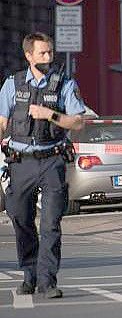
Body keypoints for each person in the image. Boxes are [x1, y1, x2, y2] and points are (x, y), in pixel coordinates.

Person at [0, 32, 86, 299]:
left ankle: (48, 281)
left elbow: (78, 122)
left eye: (50, 52)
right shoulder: (12, 85)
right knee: (20, 219)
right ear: (29, 56)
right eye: (42, 53)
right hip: (20, 163)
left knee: (50, 224)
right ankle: (29, 274)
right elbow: (2, 124)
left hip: (52, 160)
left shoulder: (65, 84)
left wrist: (51, 114)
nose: (48, 58)